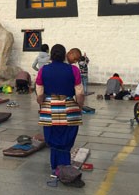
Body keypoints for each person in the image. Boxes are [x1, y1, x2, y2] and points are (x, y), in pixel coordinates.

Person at [36, 44, 84, 180]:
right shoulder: (73, 70)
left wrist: (41, 102)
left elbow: (39, 92)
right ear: (64, 56)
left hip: (49, 107)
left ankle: (55, 167)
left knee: (52, 137)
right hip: (68, 106)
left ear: (51, 55)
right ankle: (65, 166)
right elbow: (79, 93)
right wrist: (79, 106)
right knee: (67, 137)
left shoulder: (43, 70)